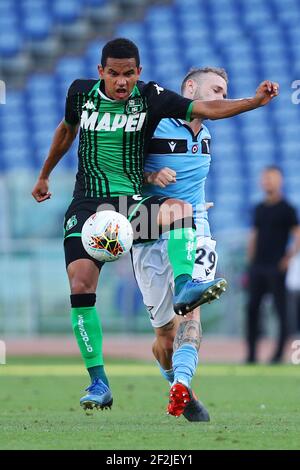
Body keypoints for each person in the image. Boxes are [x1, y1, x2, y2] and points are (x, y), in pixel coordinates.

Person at [31, 37, 279, 411]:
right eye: (113, 74)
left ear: (139, 72)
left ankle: (184, 286)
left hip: (132, 204)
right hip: (88, 203)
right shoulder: (79, 93)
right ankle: (98, 382)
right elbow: (66, 131)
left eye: (128, 74)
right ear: (101, 72)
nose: (121, 81)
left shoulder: (152, 97)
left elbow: (206, 108)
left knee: (180, 209)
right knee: (81, 284)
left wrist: (253, 102)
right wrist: (45, 175)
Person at [132, 67, 229, 421]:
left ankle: (183, 383)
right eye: (216, 90)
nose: (222, 98)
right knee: (164, 339)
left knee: (191, 310)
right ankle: (176, 382)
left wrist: (198, 208)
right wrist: (150, 175)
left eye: (224, 92)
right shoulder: (154, 123)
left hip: (195, 227)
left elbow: (192, 185)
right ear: (190, 88)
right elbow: (121, 168)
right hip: (147, 226)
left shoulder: (206, 135)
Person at [246, 166, 300, 363]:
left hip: (276, 267)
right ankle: (251, 355)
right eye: (265, 178)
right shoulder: (259, 208)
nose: (267, 182)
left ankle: (278, 355)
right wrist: (250, 260)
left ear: (280, 181)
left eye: (272, 178)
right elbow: (254, 234)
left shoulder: (288, 209)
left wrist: (287, 259)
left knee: (280, 310)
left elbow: (297, 236)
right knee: (252, 309)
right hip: (258, 266)